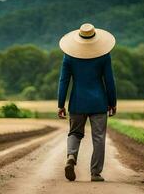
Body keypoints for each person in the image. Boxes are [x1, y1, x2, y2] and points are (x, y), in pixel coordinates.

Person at [58, 23, 117, 182]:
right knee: (98, 138)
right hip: (99, 102)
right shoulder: (104, 55)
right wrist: (112, 102)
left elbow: (64, 81)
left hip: (77, 102)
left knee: (75, 133)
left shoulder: (69, 56)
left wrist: (60, 104)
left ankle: (71, 156)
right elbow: (109, 81)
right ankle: (95, 173)